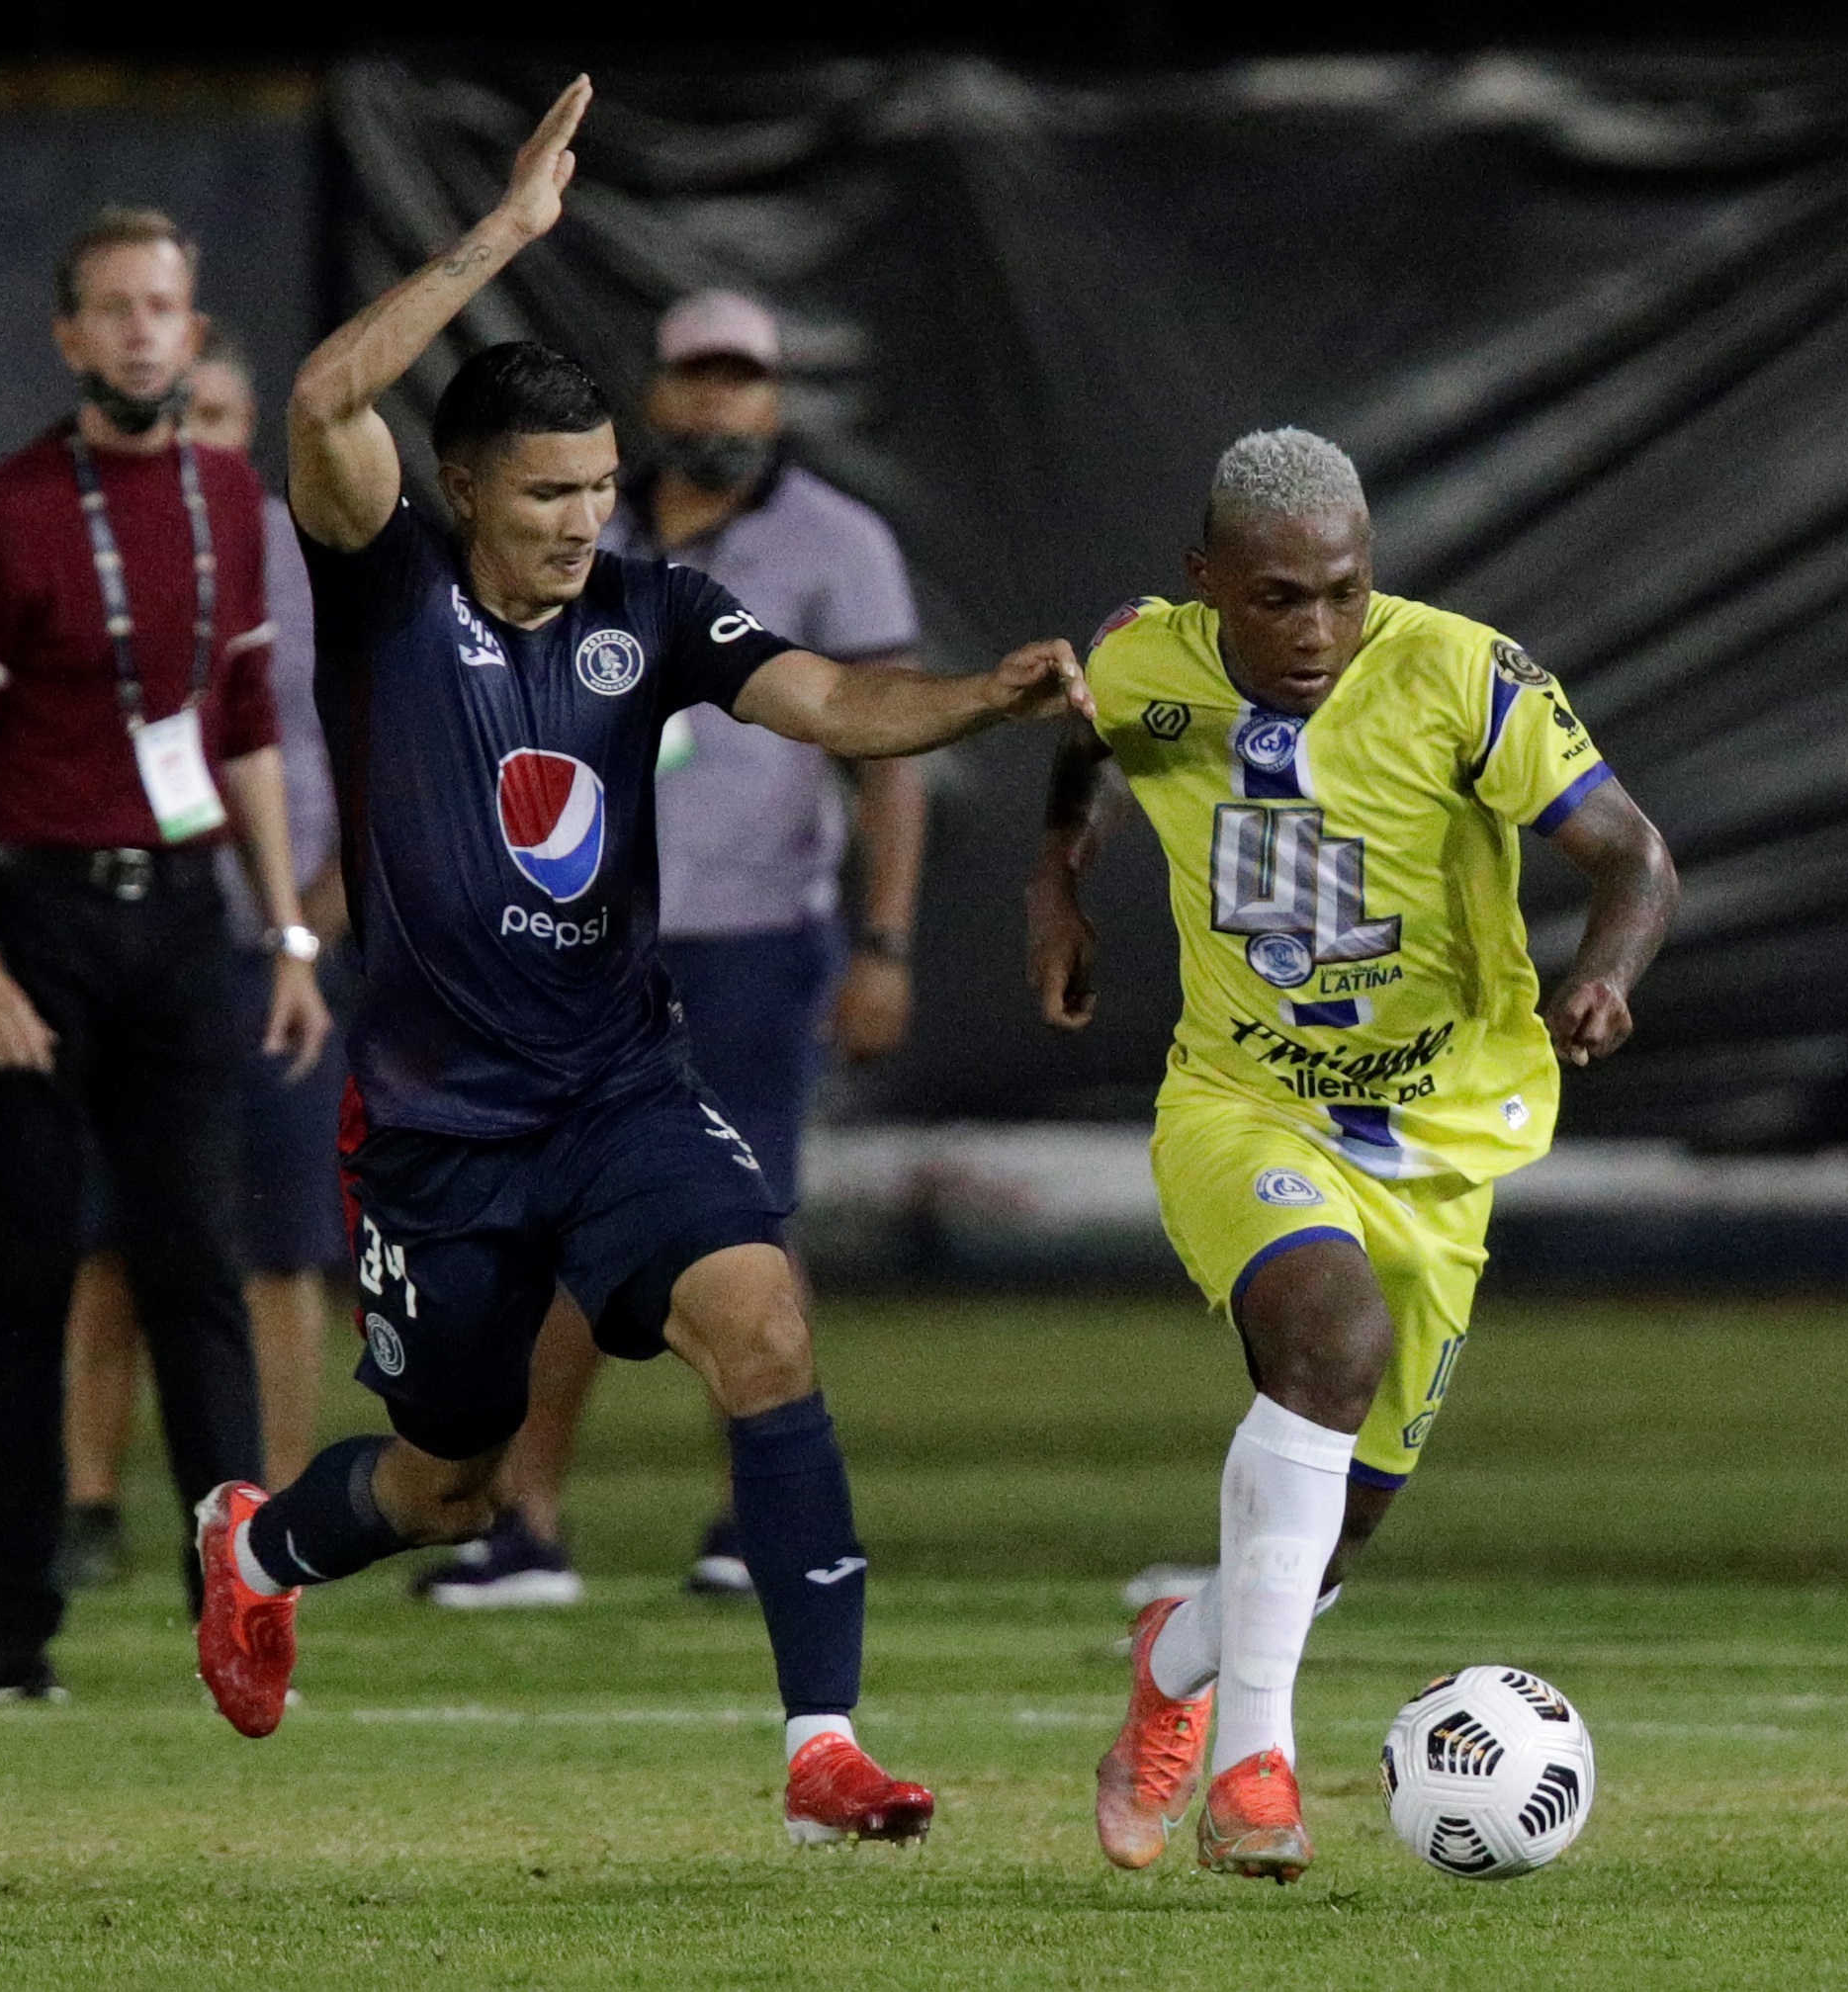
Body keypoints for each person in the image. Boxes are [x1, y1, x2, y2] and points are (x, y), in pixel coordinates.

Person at [189, 78, 1090, 1845]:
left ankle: (821, 1747)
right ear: (462, 488)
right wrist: (504, 238)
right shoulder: (391, 586)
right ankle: (266, 1542)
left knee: (762, 1319)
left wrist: (976, 695)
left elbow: (828, 698)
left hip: (618, 1089)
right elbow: (319, 398)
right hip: (439, 1137)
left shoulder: (655, 612)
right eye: (546, 493)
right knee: (449, 1485)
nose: (581, 520)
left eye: (601, 488)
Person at [1026, 428, 1678, 1879]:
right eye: (1275, 598)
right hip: (1240, 1103)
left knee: (1328, 1531)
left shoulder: (1463, 675)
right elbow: (1085, 734)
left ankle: (1173, 1654)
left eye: (1340, 590)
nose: (1315, 628)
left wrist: (1607, 974)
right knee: (1330, 1341)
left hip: (1440, 1139)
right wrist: (1056, 881)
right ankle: (1253, 1761)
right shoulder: (1143, 662)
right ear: (1204, 583)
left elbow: (1633, 852)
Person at [413, 288, 928, 1608]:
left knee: (743, 1222)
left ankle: (756, 1513)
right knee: (552, 1228)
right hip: (578, 937)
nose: (719, 403)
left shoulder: (836, 539)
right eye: (698, 377)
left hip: (753, 933)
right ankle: (523, 1520)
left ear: (775, 397)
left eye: (742, 379)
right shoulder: (586, 515)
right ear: (657, 393)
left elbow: (885, 755)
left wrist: (883, 937)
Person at [0, 208, 332, 1703]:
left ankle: (241, 1602)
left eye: (166, 306)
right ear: (70, 336)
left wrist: (281, 934)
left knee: (198, 1262)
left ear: (195, 331)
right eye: (116, 309)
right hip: (29, 919)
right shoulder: (11, 507)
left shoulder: (224, 497)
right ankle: (14, 1627)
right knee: (20, 1274)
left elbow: (249, 731)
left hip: (179, 917)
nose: (146, 330)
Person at [55, 333, 353, 1593]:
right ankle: (86, 1499)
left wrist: (323, 911)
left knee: (285, 1239)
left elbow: (370, 748)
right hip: (138, 939)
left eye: (229, 410)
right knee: (120, 1234)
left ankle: (269, 1513)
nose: (209, 432)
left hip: (277, 944)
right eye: (191, 411)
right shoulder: (109, 551)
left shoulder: (317, 563)